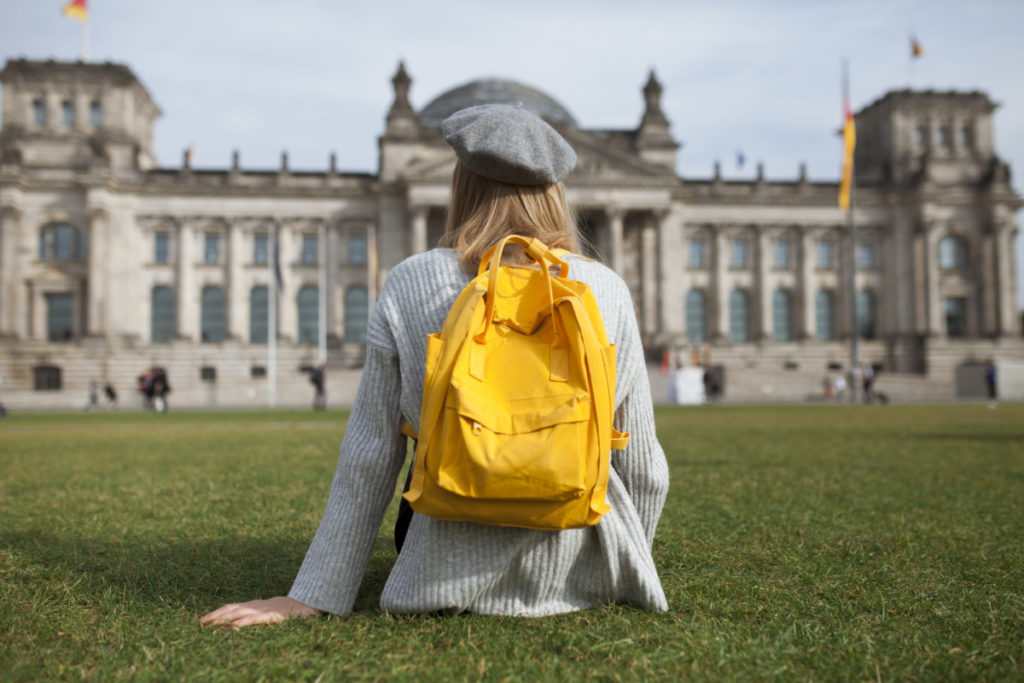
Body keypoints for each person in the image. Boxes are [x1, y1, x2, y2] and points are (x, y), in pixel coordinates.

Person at [201, 104, 669, 628]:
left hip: (437, 574)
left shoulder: (411, 280)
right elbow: (645, 469)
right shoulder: (607, 289)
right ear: (555, 191)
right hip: (586, 572)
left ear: (460, 185)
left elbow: (371, 455)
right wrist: (631, 567)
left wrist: (314, 595)